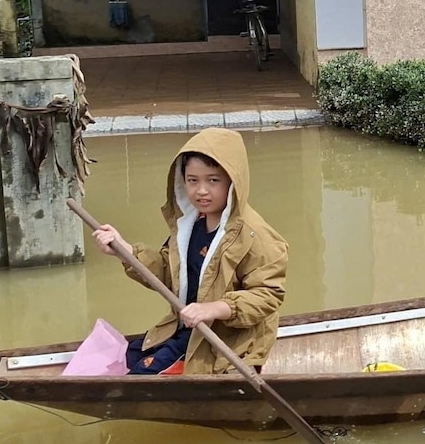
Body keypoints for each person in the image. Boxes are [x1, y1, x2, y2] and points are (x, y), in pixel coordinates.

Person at [91, 127, 289, 375]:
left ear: (233, 182)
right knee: (130, 355)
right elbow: (168, 270)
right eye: (192, 180)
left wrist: (213, 308)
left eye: (213, 180)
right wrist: (125, 251)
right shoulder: (190, 224)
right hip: (186, 327)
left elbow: (267, 296)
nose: (201, 190)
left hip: (224, 341)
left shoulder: (255, 235)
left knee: (143, 374)